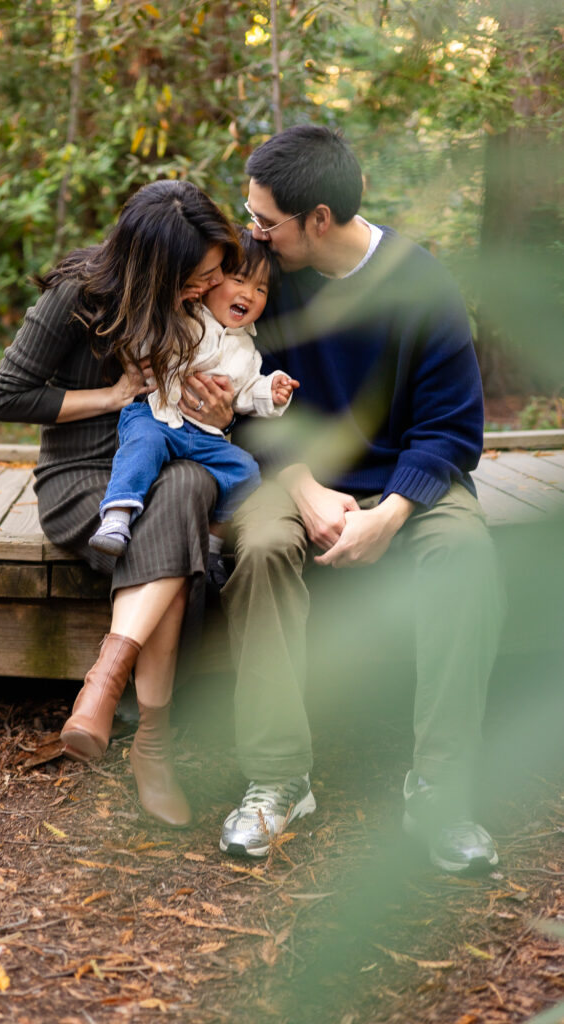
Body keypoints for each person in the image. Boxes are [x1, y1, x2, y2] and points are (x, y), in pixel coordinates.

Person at [218, 125, 505, 873]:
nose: (254, 233)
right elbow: (244, 402)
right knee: (261, 546)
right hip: (293, 476)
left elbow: (452, 428)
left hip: (409, 478)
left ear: (318, 218)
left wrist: (392, 513)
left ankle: (441, 789)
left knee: (464, 554)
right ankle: (279, 780)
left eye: (265, 220)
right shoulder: (266, 281)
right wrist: (303, 486)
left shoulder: (423, 284)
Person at [0, 179, 242, 828]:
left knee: (188, 487)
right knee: (177, 521)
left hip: (168, 473)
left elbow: (228, 393)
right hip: (82, 481)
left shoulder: (199, 310)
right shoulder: (78, 295)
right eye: (199, 276)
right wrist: (113, 395)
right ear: (157, 269)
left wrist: (221, 416)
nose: (211, 285)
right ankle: (153, 745)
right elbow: (7, 395)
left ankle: (105, 680)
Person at [87, 226, 299, 563]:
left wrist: (270, 391)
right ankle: (117, 517)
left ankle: (214, 541)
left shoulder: (248, 349)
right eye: (239, 280)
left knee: (245, 470)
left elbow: (245, 393)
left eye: (261, 289)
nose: (249, 294)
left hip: (205, 437)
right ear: (212, 281)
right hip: (158, 416)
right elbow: (145, 339)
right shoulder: (183, 316)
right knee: (142, 444)